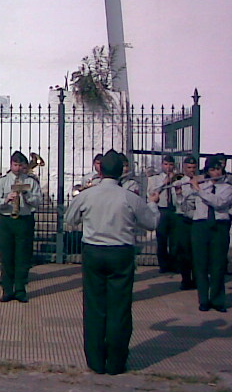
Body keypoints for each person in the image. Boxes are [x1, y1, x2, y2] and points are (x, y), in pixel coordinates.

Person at [65, 149, 160, 375]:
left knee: (95, 306)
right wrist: (154, 204)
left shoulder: (88, 195)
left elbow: (69, 220)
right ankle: (116, 362)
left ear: (100, 170)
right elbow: (151, 223)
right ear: (120, 173)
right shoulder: (129, 197)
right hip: (121, 252)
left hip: (94, 251)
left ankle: (96, 361)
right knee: (119, 308)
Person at [180, 156, 232, 312]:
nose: (216, 172)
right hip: (200, 226)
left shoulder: (227, 187)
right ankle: (203, 300)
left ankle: (217, 300)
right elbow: (186, 205)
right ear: (207, 171)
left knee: (218, 264)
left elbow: (219, 202)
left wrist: (198, 190)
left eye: (218, 169)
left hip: (219, 226)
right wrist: (185, 193)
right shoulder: (201, 184)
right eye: (212, 169)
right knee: (200, 264)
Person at [0, 151, 42, 303]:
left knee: (23, 256)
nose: (18, 168)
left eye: (20, 165)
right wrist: (7, 199)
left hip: (24, 220)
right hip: (7, 220)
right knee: (6, 256)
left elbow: (38, 202)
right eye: (15, 165)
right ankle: (7, 290)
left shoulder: (31, 182)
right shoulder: (2, 181)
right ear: (11, 164)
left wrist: (26, 195)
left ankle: (20, 290)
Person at [147, 154, 178, 273]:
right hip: (162, 209)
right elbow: (152, 193)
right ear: (162, 165)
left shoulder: (178, 178)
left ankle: (174, 265)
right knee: (162, 239)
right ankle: (163, 266)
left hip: (174, 209)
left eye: (170, 165)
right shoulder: (155, 179)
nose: (168, 167)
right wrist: (165, 183)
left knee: (175, 240)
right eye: (166, 164)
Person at [174, 156, 198, 290]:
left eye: (194, 168)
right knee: (184, 251)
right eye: (189, 168)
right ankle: (185, 279)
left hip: (197, 219)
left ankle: (197, 279)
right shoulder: (180, 182)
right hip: (183, 219)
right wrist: (179, 195)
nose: (192, 171)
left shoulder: (200, 181)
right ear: (184, 167)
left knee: (196, 251)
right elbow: (178, 204)